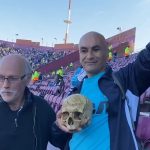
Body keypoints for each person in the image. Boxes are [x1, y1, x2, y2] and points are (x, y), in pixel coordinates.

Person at [55, 31, 150, 150]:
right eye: (84, 50)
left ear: (106, 53)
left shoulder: (124, 80)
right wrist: (58, 125)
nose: (89, 56)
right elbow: (58, 140)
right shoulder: (74, 93)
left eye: (96, 49)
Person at [0, 54, 70, 150]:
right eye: (1, 77)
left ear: (28, 79)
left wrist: (59, 128)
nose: (5, 85)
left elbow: (61, 142)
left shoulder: (43, 108)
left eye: (13, 78)